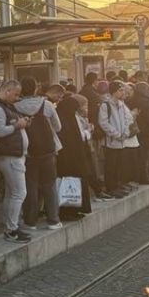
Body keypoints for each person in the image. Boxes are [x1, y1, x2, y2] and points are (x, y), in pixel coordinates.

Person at [0, 80, 32, 243]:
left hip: (14, 155)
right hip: (9, 156)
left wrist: (22, 123)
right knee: (20, 192)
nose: (17, 98)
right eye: (16, 94)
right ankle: (11, 228)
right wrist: (17, 126)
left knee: (12, 193)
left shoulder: (7, 106)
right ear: (7, 91)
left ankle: (10, 226)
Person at [14, 78, 62, 230]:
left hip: (28, 152)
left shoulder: (15, 106)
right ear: (36, 88)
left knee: (31, 186)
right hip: (48, 151)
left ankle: (30, 221)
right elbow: (58, 127)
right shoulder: (46, 104)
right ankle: (53, 220)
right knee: (50, 185)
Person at [55, 93, 94, 221]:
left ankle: (75, 210)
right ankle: (67, 212)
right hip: (68, 159)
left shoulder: (67, 117)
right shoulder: (65, 119)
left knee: (74, 183)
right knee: (68, 184)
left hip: (73, 158)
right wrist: (88, 132)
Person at [98, 81, 138, 198]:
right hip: (111, 142)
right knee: (111, 165)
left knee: (119, 165)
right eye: (120, 90)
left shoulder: (121, 104)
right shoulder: (106, 105)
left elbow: (128, 118)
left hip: (122, 141)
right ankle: (110, 187)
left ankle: (117, 185)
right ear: (114, 91)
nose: (123, 93)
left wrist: (125, 133)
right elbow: (103, 123)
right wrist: (116, 134)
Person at [130, 81, 149, 183]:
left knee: (140, 154)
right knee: (145, 155)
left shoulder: (132, 100)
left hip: (137, 131)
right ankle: (144, 177)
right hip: (146, 131)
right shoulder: (146, 101)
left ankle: (145, 174)